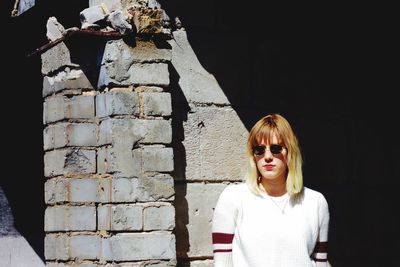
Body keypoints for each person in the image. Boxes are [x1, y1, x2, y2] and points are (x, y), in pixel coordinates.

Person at [211, 113, 330, 267]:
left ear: (290, 152)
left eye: (276, 148)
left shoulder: (316, 202)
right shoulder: (233, 198)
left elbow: (321, 262)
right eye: (259, 150)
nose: (267, 156)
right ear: (253, 156)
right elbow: (222, 264)